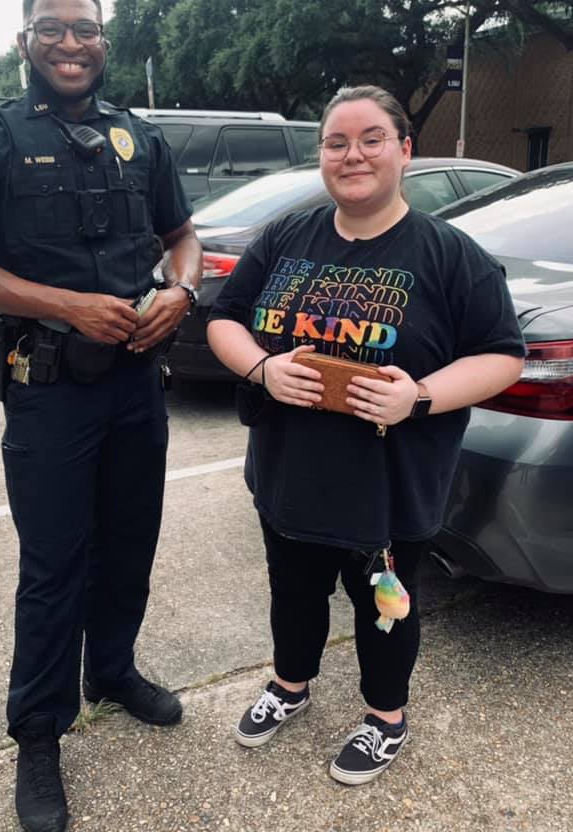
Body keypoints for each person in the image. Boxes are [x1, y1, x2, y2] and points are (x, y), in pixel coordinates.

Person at [0, 0, 202, 832]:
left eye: (86, 31)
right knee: (53, 566)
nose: (71, 44)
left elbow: (180, 236)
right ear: (26, 41)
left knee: (129, 542)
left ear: (104, 44)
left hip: (133, 383)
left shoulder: (138, 136)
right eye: (54, 29)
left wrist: (181, 294)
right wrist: (62, 304)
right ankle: (40, 734)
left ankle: (111, 670)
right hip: (47, 390)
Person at [206, 84, 524, 786]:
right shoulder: (288, 236)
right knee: (291, 591)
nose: (353, 155)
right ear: (322, 155)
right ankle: (290, 686)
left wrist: (420, 396)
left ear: (404, 150)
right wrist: (261, 369)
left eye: (371, 138)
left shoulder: (449, 254)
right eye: (336, 142)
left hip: (388, 486)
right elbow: (222, 319)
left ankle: (386, 717)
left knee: (385, 607)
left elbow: (503, 353)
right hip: (290, 471)